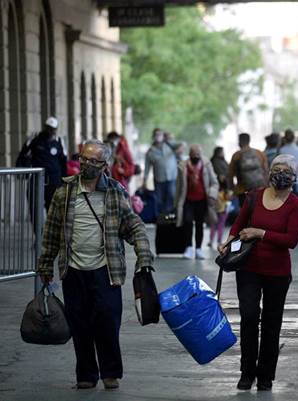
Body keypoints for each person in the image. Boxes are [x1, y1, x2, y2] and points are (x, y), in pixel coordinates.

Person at [36, 139, 153, 390]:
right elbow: (52, 231)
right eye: (84, 158)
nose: (86, 164)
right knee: (79, 323)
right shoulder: (64, 193)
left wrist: (144, 255)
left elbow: (133, 225)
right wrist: (45, 266)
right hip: (73, 270)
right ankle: (86, 374)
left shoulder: (114, 191)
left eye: (93, 160)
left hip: (106, 268)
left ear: (104, 164)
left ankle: (110, 372)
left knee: (108, 322)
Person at [218, 154, 298, 392]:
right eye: (276, 169)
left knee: (271, 323)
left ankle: (265, 376)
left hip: (277, 272)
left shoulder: (295, 204)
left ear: (294, 176)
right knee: (248, 317)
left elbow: (292, 239)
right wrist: (228, 242)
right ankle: (247, 372)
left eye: (285, 170)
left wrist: (260, 233)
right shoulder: (254, 196)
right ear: (269, 172)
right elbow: (238, 223)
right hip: (248, 268)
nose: (280, 174)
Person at [175, 144, 218, 260]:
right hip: (187, 200)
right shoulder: (182, 166)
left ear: (201, 154)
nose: (196, 156)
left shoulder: (207, 164)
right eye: (193, 154)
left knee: (199, 224)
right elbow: (178, 185)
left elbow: (214, 182)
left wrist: (212, 195)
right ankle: (188, 247)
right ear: (189, 155)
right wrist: (176, 203)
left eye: (198, 154)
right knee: (187, 222)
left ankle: (198, 249)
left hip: (202, 200)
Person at [16, 116, 67, 210]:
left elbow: (63, 162)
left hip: (54, 181)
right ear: (44, 127)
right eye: (48, 128)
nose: (50, 131)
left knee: (53, 208)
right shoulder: (35, 139)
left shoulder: (59, 141)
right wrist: (21, 171)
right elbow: (23, 154)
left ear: (56, 129)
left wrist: (64, 181)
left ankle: (50, 225)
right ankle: (36, 225)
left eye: (52, 129)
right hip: (37, 179)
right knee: (34, 205)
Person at [227, 133, 268, 206]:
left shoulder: (236, 155)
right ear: (249, 141)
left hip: (242, 191)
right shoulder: (259, 153)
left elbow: (230, 175)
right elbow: (266, 171)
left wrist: (233, 190)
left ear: (239, 142)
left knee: (245, 215)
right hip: (259, 190)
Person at [143, 128, 178, 213]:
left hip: (172, 177)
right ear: (153, 137)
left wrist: (168, 138)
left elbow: (182, 145)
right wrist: (144, 181)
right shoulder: (150, 151)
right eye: (156, 134)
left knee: (171, 196)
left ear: (163, 136)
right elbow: (147, 168)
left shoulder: (169, 145)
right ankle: (161, 218)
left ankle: (170, 217)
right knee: (159, 200)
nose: (158, 136)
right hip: (159, 179)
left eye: (160, 134)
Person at [208, 178, 230, 250]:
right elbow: (228, 199)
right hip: (223, 211)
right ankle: (219, 240)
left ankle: (211, 241)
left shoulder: (214, 191)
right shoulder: (225, 192)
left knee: (213, 226)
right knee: (221, 226)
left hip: (214, 211)